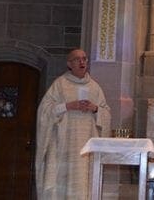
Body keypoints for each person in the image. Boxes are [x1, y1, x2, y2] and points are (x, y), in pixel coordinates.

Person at [35, 48, 111, 199]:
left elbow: (106, 113)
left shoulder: (95, 87)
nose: (82, 62)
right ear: (69, 64)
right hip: (64, 146)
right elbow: (44, 111)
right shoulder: (60, 85)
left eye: (84, 59)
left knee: (84, 185)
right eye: (77, 59)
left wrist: (95, 108)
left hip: (87, 147)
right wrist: (68, 106)